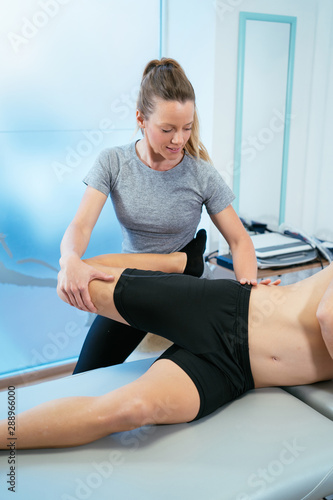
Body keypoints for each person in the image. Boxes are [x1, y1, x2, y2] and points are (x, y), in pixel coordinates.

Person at [57, 57, 267, 374]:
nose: (179, 140)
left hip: (186, 291)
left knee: (206, 370)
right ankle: (184, 261)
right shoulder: (113, 162)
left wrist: (248, 286)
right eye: (167, 129)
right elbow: (80, 225)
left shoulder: (201, 173)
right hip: (134, 285)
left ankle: (185, 264)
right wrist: (70, 259)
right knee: (85, 375)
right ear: (141, 119)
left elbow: (239, 240)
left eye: (187, 127)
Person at [1, 252, 332, 450]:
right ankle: (178, 261)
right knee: (76, 284)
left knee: (129, 411)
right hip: (224, 310)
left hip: (235, 372)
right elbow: (327, 316)